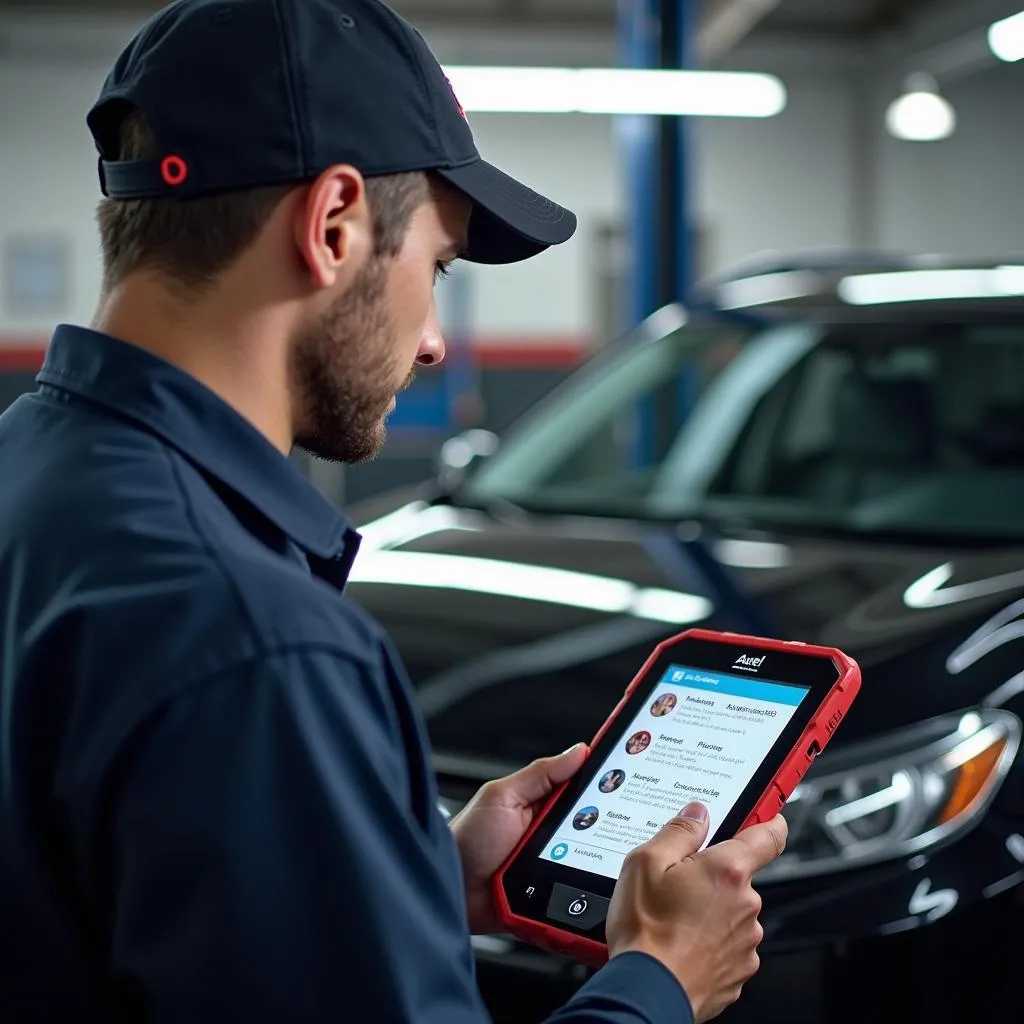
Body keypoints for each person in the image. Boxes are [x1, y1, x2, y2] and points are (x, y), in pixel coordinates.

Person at [0, 1, 787, 1022]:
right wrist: (657, 980)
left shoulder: (31, 472)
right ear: (332, 226)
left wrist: (403, 877)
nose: (433, 344)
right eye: (438, 269)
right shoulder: (258, 641)